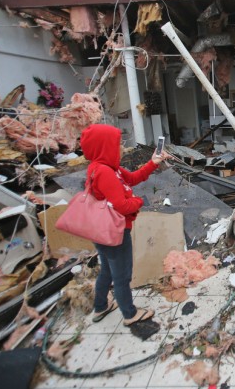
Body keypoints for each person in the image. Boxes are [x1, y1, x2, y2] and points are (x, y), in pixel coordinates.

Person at [79, 124, 170, 326]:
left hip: (101, 230)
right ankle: (130, 314)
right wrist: (139, 201)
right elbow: (122, 206)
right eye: (117, 144)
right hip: (114, 233)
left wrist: (153, 162)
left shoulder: (106, 167)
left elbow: (133, 178)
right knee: (122, 275)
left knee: (107, 271)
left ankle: (101, 307)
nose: (120, 147)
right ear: (104, 146)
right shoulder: (105, 172)